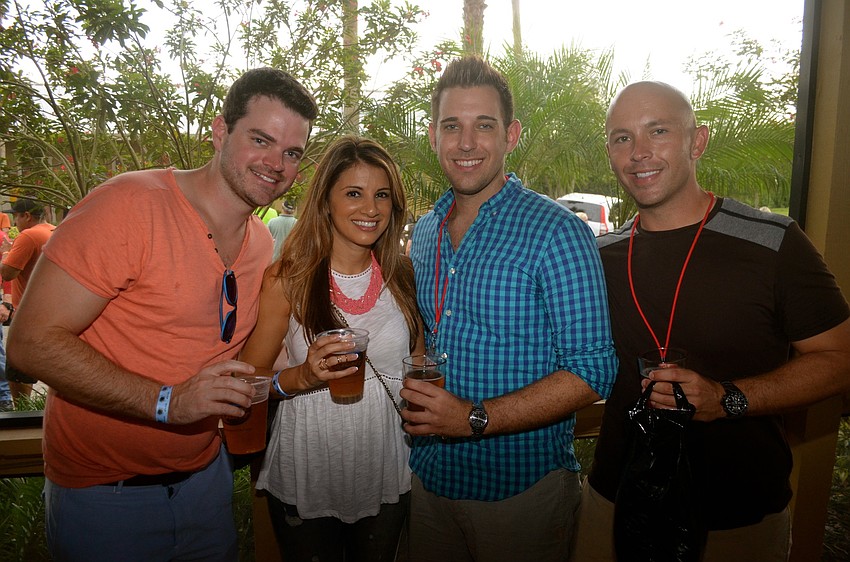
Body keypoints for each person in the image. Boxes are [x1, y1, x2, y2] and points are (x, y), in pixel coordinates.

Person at [6, 67, 319, 561]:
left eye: (292, 152)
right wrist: (166, 402)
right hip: (105, 496)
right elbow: (29, 343)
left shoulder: (260, 244)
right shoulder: (131, 205)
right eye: (261, 139)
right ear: (220, 132)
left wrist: (308, 361)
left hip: (206, 485)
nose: (276, 163)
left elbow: (229, 349)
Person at [572, 81, 850, 562]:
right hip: (615, 505)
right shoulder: (597, 257)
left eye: (657, 131)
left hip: (737, 516)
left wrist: (729, 399)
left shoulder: (773, 244)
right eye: (622, 138)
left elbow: (841, 357)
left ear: (696, 141)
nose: (639, 153)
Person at [402, 55, 618, 562]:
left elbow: (594, 370)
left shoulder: (557, 232)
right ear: (434, 135)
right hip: (430, 478)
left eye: (484, 126)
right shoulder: (429, 229)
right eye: (452, 126)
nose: (467, 143)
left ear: (511, 135)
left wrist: (474, 418)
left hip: (522, 492)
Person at [240, 135, 424, 561]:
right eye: (354, 193)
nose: (371, 209)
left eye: (381, 195)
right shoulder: (287, 279)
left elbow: (415, 362)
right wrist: (300, 376)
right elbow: (247, 382)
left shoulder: (402, 274)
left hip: (384, 460)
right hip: (308, 463)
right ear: (326, 200)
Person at [1, 199, 56, 402]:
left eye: (16, 216)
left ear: (26, 216)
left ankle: (22, 412)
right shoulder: (53, 230)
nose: (15, 222)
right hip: (52, 310)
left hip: (27, 312)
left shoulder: (28, 235)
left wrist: (5, 253)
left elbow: (7, 273)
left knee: (19, 367)